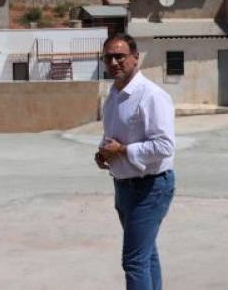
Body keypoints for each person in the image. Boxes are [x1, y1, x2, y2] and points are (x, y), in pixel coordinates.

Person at [95, 34, 176, 290]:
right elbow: (113, 138)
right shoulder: (114, 96)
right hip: (124, 187)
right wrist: (103, 153)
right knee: (146, 254)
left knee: (133, 261)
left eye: (120, 56)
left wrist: (124, 150)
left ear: (135, 58)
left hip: (150, 187)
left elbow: (165, 146)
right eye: (109, 57)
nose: (115, 61)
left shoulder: (152, 96)